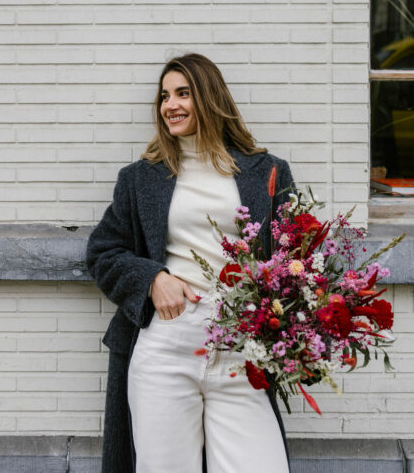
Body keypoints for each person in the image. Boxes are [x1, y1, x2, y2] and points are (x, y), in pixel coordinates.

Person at [87, 53, 295, 473]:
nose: (170, 105)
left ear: (210, 97)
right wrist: (152, 278)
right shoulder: (140, 178)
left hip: (240, 349)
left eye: (183, 93)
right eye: (164, 96)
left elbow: (294, 257)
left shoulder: (267, 172)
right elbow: (102, 251)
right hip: (167, 343)